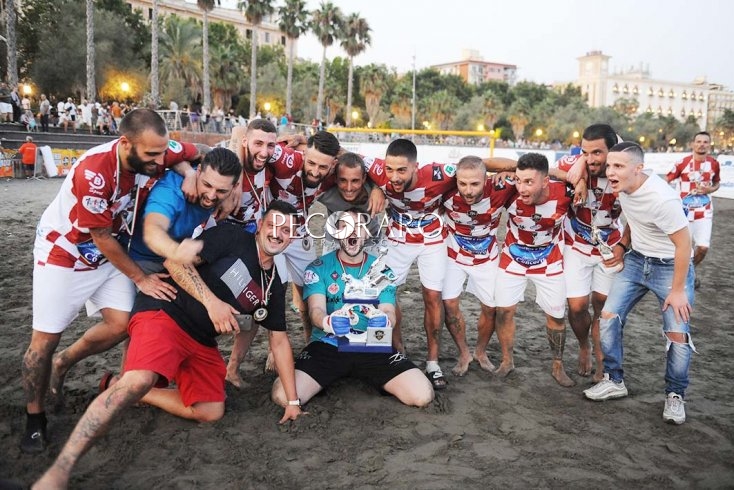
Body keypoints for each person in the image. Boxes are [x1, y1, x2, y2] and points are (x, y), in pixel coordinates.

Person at [33, 201, 303, 489]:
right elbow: (175, 262)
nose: (278, 233)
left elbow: (279, 341)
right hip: (165, 313)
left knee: (210, 410)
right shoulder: (231, 237)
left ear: (293, 237)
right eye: (273, 225)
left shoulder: (274, 283)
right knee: (140, 380)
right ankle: (60, 470)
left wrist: (293, 402)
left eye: (287, 230)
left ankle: (121, 384)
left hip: (201, 340)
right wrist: (212, 303)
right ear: (260, 225)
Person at [20, 109, 201, 453]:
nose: (160, 160)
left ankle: (64, 363)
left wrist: (187, 170)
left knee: (122, 325)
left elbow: (189, 151)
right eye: (152, 155)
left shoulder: (156, 147)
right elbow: (100, 235)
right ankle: (34, 417)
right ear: (125, 144)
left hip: (107, 255)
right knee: (44, 341)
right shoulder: (94, 171)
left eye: (163, 152)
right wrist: (141, 279)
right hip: (66, 253)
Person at [362, 139, 517, 390]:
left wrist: (513, 169)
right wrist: (376, 186)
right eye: (390, 170)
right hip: (398, 239)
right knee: (384, 292)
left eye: (402, 170)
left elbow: (484, 164)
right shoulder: (380, 171)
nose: (394, 176)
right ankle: (397, 349)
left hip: (435, 240)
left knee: (435, 297)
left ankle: (433, 361)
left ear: (415, 166)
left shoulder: (440, 174)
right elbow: (343, 155)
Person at [271, 209, 434, 408]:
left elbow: (389, 310)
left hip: (373, 344)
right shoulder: (318, 267)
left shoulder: (382, 270)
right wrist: (328, 322)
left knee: (422, 395)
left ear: (367, 233)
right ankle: (327, 376)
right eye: (344, 227)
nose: (352, 232)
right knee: (282, 395)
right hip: (329, 344)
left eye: (359, 227)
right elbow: (315, 311)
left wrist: (384, 321)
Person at [584, 142, 695, 425]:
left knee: (676, 334)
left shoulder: (662, 199)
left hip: (669, 267)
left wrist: (678, 290)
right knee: (609, 317)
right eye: (609, 165)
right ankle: (614, 380)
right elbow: (635, 219)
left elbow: (684, 245)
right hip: (636, 260)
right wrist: (622, 245)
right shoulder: (625, 186)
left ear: (639, 169)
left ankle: (675, 395)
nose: (610, 171)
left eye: (618, 166)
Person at [494, 152, 580, 387]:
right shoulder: (508, 190)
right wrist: (513, 171)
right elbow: (483, 163)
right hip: (513, 256)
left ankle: (557, 366)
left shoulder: (566, 192)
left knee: (556, 315)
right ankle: (506, 360)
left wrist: (577, 180)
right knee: (503, 311)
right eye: (519, 180)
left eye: (529, 182)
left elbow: (591, 175)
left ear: (546, 181)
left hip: (549, 259)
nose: (521, 188)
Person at [555, 124, 622, 381]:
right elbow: (545, 171)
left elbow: (637, 216)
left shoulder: (623, 168)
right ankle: (584, 345)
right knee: (577, 306)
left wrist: (623, 245)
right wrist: (578, 176)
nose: (591, 159)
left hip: (609, 245)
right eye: (586, 152)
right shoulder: (575, 162)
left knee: (602, 306)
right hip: (576, 243)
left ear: (612, 150)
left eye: (597, 153)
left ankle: (601, 358)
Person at [441, 156, 516, 376]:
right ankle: (464, 353)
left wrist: (508, 169)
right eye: (462, 183)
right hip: (453, 254)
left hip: (487, 256)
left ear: (487, 180)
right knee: (450, 304)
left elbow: (533, 169)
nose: (468, 190)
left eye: (475, 183)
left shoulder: (503, 187)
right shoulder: (445, 189)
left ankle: (480, 352)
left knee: (491, 308)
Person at [129, 147, 242, 273]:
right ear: (198, 171)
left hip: (171, 259)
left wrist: (229, 196)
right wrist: (175, 251)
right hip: (140, 259)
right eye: (207, 185)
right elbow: (153, 230)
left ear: (234, 186)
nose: (211, 196)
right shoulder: (171, 192)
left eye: (221, 190)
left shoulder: (224, 186)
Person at [665, 131, 720, 289]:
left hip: (704, 211)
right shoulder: (682, 162)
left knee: (702, 248)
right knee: (683, 248)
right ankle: (684, 276)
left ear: (709, 145)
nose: (702, 144)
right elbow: (667, 180)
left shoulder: (714, 164)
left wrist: (710, 189)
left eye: (705, 142)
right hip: (684, 212)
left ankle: (689, 270)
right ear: (693, 144)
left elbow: (717, 183)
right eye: (699, 141)